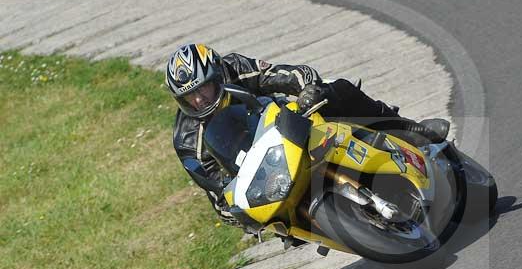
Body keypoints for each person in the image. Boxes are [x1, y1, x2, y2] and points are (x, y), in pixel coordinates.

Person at [166, 43, 450, 226]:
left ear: (218, 75)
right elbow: (217, 193)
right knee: (270, 222)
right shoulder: (187, 140)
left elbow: (289, 75)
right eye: (189, 97)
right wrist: (236, 211)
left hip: (289, 128)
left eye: (203, 89)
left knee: (337, 89)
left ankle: (407, 129)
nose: (200, 100)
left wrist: (307, 91)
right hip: (264, 177)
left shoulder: (236, 69)